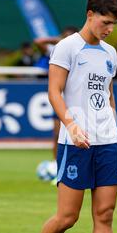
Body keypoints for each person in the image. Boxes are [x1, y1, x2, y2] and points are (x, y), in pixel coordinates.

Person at [22, 0, 117, 233]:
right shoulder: (67, 47)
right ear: (90, 14)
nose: (110, 28)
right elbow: (54, 91)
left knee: (105, 213)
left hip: (107, 141)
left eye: (113, 24)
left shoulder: (110, 53)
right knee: (67, 217)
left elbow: (109, 94)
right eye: (105, 22)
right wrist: (71, 126)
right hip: (74, 143)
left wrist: (111, 125)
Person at [34, 26, 79, 164]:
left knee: (77, 135)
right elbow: (38, 42)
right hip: (60, 98)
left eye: (70, 36)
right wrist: (58, 40)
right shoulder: (56, 50)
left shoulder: (80, 52)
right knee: (57, 135)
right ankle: (56, 164)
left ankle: (74, 165)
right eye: (65, 36)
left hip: (76, 100)